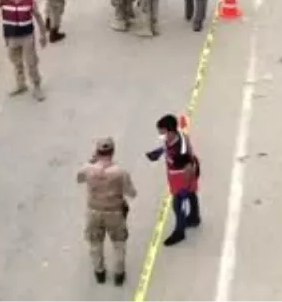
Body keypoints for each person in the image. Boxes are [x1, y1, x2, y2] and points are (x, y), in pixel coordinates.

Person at [77, 137, 137, 286]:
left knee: (95, 243)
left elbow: (79, 178)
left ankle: (100, 272)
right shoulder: (120, 172)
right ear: (113, 152)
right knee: (119, 244)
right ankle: (119, 274)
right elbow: (132, 193)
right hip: (115, 212)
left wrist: (90, 162)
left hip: (94, 212)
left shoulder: (88, 169)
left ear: (97, 152)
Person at [146, 115, 201, 246]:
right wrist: (158, 152)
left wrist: (185, 187)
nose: (160, 136)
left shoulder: (180, 151)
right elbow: (167, 146)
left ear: (170, 131)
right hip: (177, 177)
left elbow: (188, 168)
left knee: (178, 205)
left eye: (162, 133)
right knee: (192, 195)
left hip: (182, 179)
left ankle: (179, 232)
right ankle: (194, 217)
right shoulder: (174, 137)